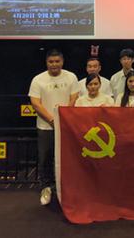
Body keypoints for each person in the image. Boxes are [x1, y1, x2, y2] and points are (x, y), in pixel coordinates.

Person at [28, 49, 79, 206]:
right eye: (51, 62)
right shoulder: (38, 79)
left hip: (66, 126)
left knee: (67, 159)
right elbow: (35, 103)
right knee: (45, 159)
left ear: (62, 62)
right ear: (46, 62)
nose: (54, 64)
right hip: (45, 127)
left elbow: (74, 98)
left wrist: (63, 118)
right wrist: (52, 119)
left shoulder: (71, 77)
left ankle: (65, 190)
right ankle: (46, 189)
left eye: (57, 61)